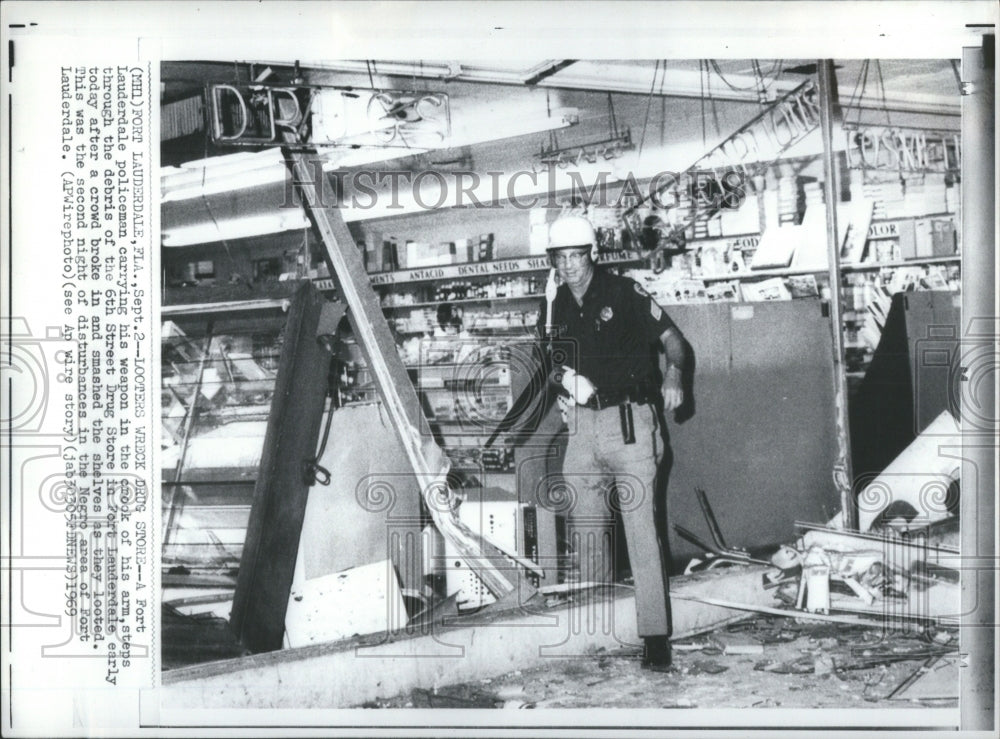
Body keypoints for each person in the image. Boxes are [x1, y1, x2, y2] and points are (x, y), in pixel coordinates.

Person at [539, 213, 687, 672]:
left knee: (640, 528)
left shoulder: (623, 292)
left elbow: (674, 340)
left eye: (575, 256)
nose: (568, 266)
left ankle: (655, 635)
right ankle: (598, 632)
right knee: (587, 531)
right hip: (582, 426)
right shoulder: (555, 303)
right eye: (560, 258)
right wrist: (564, 379)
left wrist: (675, 374)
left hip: (628, 421)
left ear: (592, 254)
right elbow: (554, 360)